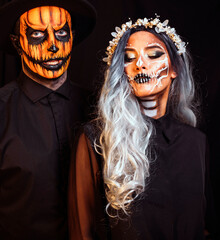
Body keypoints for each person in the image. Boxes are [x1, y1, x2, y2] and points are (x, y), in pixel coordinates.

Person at [68, 16, 211, 239]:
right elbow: (82, 233)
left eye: (154, 54)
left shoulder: (196, 142)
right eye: (128, 58)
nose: (140, 64)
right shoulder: (96, 139)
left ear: (174, 68)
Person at [0, 0, 96, 239]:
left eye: (61, 32)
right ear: (17, 43)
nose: (53, 46)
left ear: (72, 37)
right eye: (36, 35)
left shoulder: (101, 107)